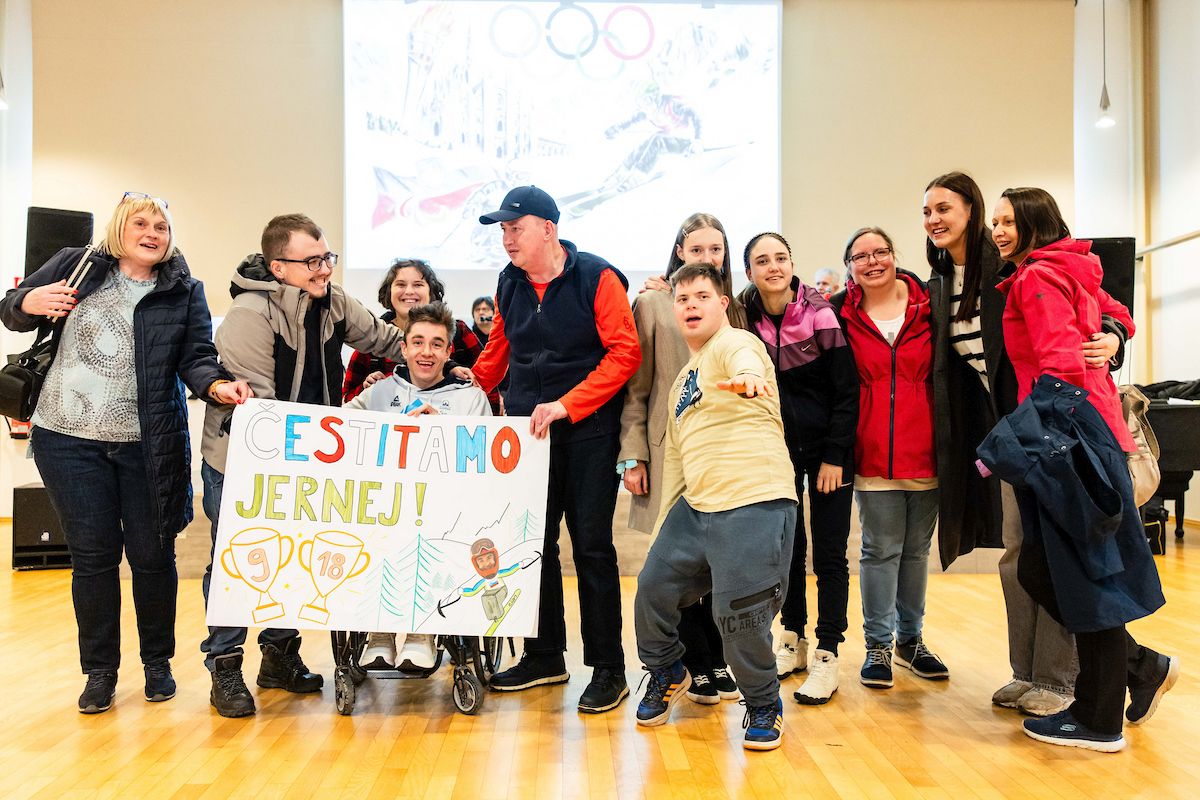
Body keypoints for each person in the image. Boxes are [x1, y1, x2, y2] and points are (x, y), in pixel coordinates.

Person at [0, 192, 251, 714]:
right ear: (119, 228)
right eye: (141, 223)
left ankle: (157, 663)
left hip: (148, 445)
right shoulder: (75, 265)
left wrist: (216, 386)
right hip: (67, 439)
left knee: (153, 556)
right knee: (93, 559)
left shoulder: (183, 290)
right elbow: (11, 311)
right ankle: (100, 672)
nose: (152, 233)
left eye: (162, 226)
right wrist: (27, 302)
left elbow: (196, 357)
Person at [980, 186, 1176, 752]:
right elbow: (1118, 314)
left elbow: (1060, 371)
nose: (998, 232)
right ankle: (1131, 674)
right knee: (1056, 571)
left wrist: (1016, 445)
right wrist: (1114, 333)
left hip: (1070, 443)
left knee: (1078, 575)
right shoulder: (1071, 267)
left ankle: (1100, 718)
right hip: (1092, 435)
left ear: (1036, 224)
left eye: (1008, 222)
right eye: (995, 223)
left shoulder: (1038, 277)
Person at [923, 171, 1126, 716]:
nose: (935, 219)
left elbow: (1102, 309)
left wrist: (1113, 336)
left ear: (970, 211)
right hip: (1013, 436)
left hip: (1049, 431)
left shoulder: (1018, 268)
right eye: (927, 212)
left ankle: (1060, 679)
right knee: (1019, 556)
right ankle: (1028, 670)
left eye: (945, 208)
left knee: (1050, 556)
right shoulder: (940, 282)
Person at [199, 213, 407, 718]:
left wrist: (435, 361)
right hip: (242, 460)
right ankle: (225, 665)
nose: (324, 269)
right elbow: (262, 409)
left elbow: (383, 339)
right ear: (279, 267)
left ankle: (279, 658)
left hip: (306, 459)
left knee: (291, 560)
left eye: (327, 257)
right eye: (312, 261)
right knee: (237, 562)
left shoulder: (332, 301)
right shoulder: (249, 314)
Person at [470, 185, 640, 713]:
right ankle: (544, 656)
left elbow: (625, 353)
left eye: (515, 228)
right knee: (533, 545)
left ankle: (608, 667)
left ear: (548, 229)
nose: (507, 239)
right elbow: (500, 350)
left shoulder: (597, 277)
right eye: (502, 230)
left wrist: (568, 404)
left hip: (588, 433)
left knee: (591, 547)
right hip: (529, 437)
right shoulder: (510, 282)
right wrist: (459, 396)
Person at [633, 262, 797, 750]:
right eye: (682, 299)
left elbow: (746, 362)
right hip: (697, 507)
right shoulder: (682, 381)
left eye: (701, 297)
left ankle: (764, 703)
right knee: (652, 589)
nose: (691, 306)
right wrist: (664, 534)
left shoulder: (736, 344)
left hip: (753, 500)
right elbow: (677, 464)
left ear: (722, 304)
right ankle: (668, 670)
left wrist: (748, 378)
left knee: (738, 618)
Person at [618, 212, 745, 705]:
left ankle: (716, 658)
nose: (707, 258)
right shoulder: (653, 303)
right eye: (696, 250)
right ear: (679, 253)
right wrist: (633, 455)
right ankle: (694, 663)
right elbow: (637, 387)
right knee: (675, 563)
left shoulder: (735, 308)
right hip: (668, 454)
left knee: (717, 562)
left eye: (716, 250)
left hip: (723, 456)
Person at [741, 232, 858, 705]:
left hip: (829, 454)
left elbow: (847, 391)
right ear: (749, 272)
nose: (773, 267)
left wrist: (835, 455)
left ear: (792, 264)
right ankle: (792, 638)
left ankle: (828, 651)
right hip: (775, 454)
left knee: (829, 555)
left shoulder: (820, 314)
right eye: (762, 261)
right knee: (787, 551)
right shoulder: (743, 319)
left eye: (781, 258)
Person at [347, 301, 492, 672]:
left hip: (446, 512)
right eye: (418, 343)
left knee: (430, 532)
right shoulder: (378, 393)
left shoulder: (470, 397)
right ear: (404, 348)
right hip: (385, 507)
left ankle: (421, 633)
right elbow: (338, 432)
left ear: (448, 351)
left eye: (436, 344)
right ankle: (379, 632)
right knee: (375, 529)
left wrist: (443, 428)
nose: (426, 352)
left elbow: (486, 462)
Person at [832, 227, 947, 690]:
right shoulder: (839, 312)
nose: (872, 261)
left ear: (895, 255)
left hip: (927, 450)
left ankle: (910, 640)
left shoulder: (931, 304)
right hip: (872, 450)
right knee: (880, 550)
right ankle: (877, 645)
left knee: (916, 552)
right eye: (860, 256)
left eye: (880, 252)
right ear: (849, 266)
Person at [341, 258, 483, 403]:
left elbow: (485, 385)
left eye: (418, 285)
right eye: (401, 284)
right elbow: (346, 399)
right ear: (389, 292)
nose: (409, 291)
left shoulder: (458, 332)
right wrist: (367, 389)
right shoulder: (373, 336)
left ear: (431, 291)